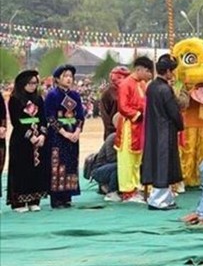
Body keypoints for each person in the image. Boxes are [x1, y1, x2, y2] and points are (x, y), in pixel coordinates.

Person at [141, 54, 185, 211]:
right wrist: (180, 125)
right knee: (164, 165)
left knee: (158, 164)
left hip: (153, 130)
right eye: (171, 71)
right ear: (166, 71)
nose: (172, 74)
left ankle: (164, 199)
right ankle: (158, 201)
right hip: (165, 131)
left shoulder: (151, 87)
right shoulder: (165, 89)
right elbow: (173, 112)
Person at [6, 70, 49, 212]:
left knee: (36, 169)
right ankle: (18, 202)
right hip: (21, 139)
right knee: (21, 169)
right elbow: (16, 121)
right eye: (30, 83)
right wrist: (30, 135)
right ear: (22, 83)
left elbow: (43, 118)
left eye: (35, 83)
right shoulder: (15, 99)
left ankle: (34, 200)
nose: (33, 86)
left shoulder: (38, 99)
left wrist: (42, 134)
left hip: (38, 138)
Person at [45, 65, 85, 208]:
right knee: (57, 164)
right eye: (65, 76)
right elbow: (50, 117)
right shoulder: (52, 95)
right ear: (57, 79)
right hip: (58, 135)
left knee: (71, 164)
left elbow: (80, 115)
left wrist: (77, 131)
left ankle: (68, 195)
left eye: (70, 76)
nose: (69, 78)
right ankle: (56, 198)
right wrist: (64, 133)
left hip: (73, 133)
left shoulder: (75, 95)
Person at [116, 56, 153, 203]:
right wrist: (138, 115)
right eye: (148, 71)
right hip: (129, 126)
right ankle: (127, 191)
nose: (149, 74)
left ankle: (136, 187)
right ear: (139, 69)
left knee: (137, 159)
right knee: (127, 160)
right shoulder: (126, 84)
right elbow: (123, 107)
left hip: (140, 126)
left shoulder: (142, 84)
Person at [84, 131, 119, 202]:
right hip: (98, 169)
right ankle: (111, 192)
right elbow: (111, 158)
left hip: (107, 168)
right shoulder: (113, 138)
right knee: (118, 166)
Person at [99, 66, 129, 140]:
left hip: (128, 131)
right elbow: (105, 115)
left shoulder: (130, 92)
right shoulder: (108, 93)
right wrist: (112, 128)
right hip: (112, 132)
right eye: (119, 77)